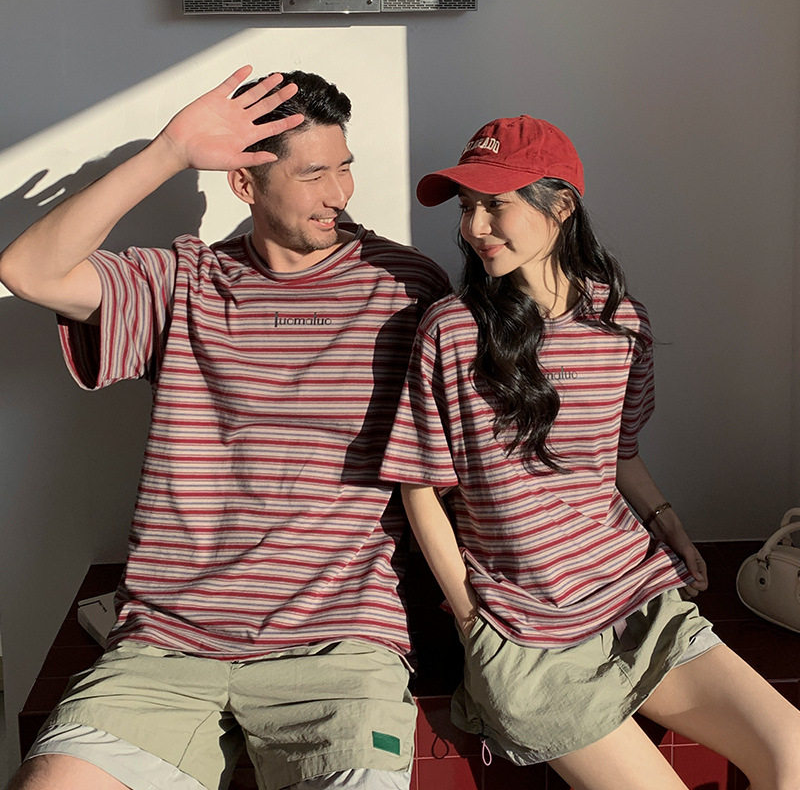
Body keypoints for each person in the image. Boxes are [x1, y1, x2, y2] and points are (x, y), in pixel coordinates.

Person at [0, 67, 450, 790]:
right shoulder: (185, 282)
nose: (339, 194)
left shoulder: (405, 286)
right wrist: (170, 151)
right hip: (166, 646)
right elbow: (29, 270)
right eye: (312, 175)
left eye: (344, 167)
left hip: (338, 644)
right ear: (246, 184)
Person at [379, 115, 800, 789]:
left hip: (636, 599)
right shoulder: (451, 330)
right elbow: (420, 487)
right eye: (466, 208)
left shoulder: (622, 323)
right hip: (526, 633)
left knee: (793, 749)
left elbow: (619, 455)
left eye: (494, 204)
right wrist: (472, 618)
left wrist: (670, 525)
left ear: (561, 206)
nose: (474, 227)